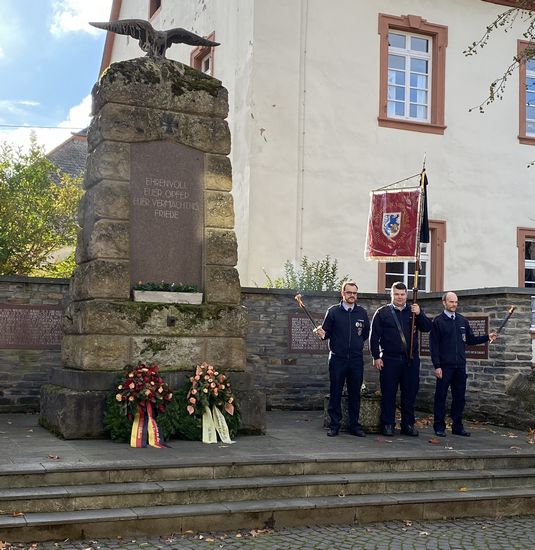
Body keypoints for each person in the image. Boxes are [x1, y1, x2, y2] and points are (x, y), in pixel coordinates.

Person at [430, 291, 497, 437]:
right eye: (451, 302)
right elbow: (434, 346)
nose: (454, 304)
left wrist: (487, 337)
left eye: (456, 302)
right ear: (444, 303)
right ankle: (439, 426)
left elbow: (470, 340)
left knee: (459, 398)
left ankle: (457, 427)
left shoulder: (462, 321)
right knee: (440, 397)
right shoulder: (438, 321)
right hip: (444, 367)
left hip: (460, 366)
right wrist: (437, 365)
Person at [370, 282, 432, 437]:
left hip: (410, 360)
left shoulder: (413, 311)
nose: (399, 297)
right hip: (389, 359)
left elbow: (427, 327)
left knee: (409, 394)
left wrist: (420, 313)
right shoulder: (382, 312)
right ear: (391, 295)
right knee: (388, 393)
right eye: (396, 294)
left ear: (406, 295)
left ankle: (408, 424)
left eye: (402, 294)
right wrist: (376, 356)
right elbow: (374, 336)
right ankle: (388, 424)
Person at [314, 280, 370, 437]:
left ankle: (354, 426)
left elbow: (365, 333)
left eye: (354, 293)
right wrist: (321, 334)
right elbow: (326, 334)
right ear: (343, 293)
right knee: (336, 392)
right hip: (337, 359)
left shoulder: (362, 312)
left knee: (355, 394)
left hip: (356, 359)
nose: (352, 295)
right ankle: (334, 425)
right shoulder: (333, 312)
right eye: (349, 292)